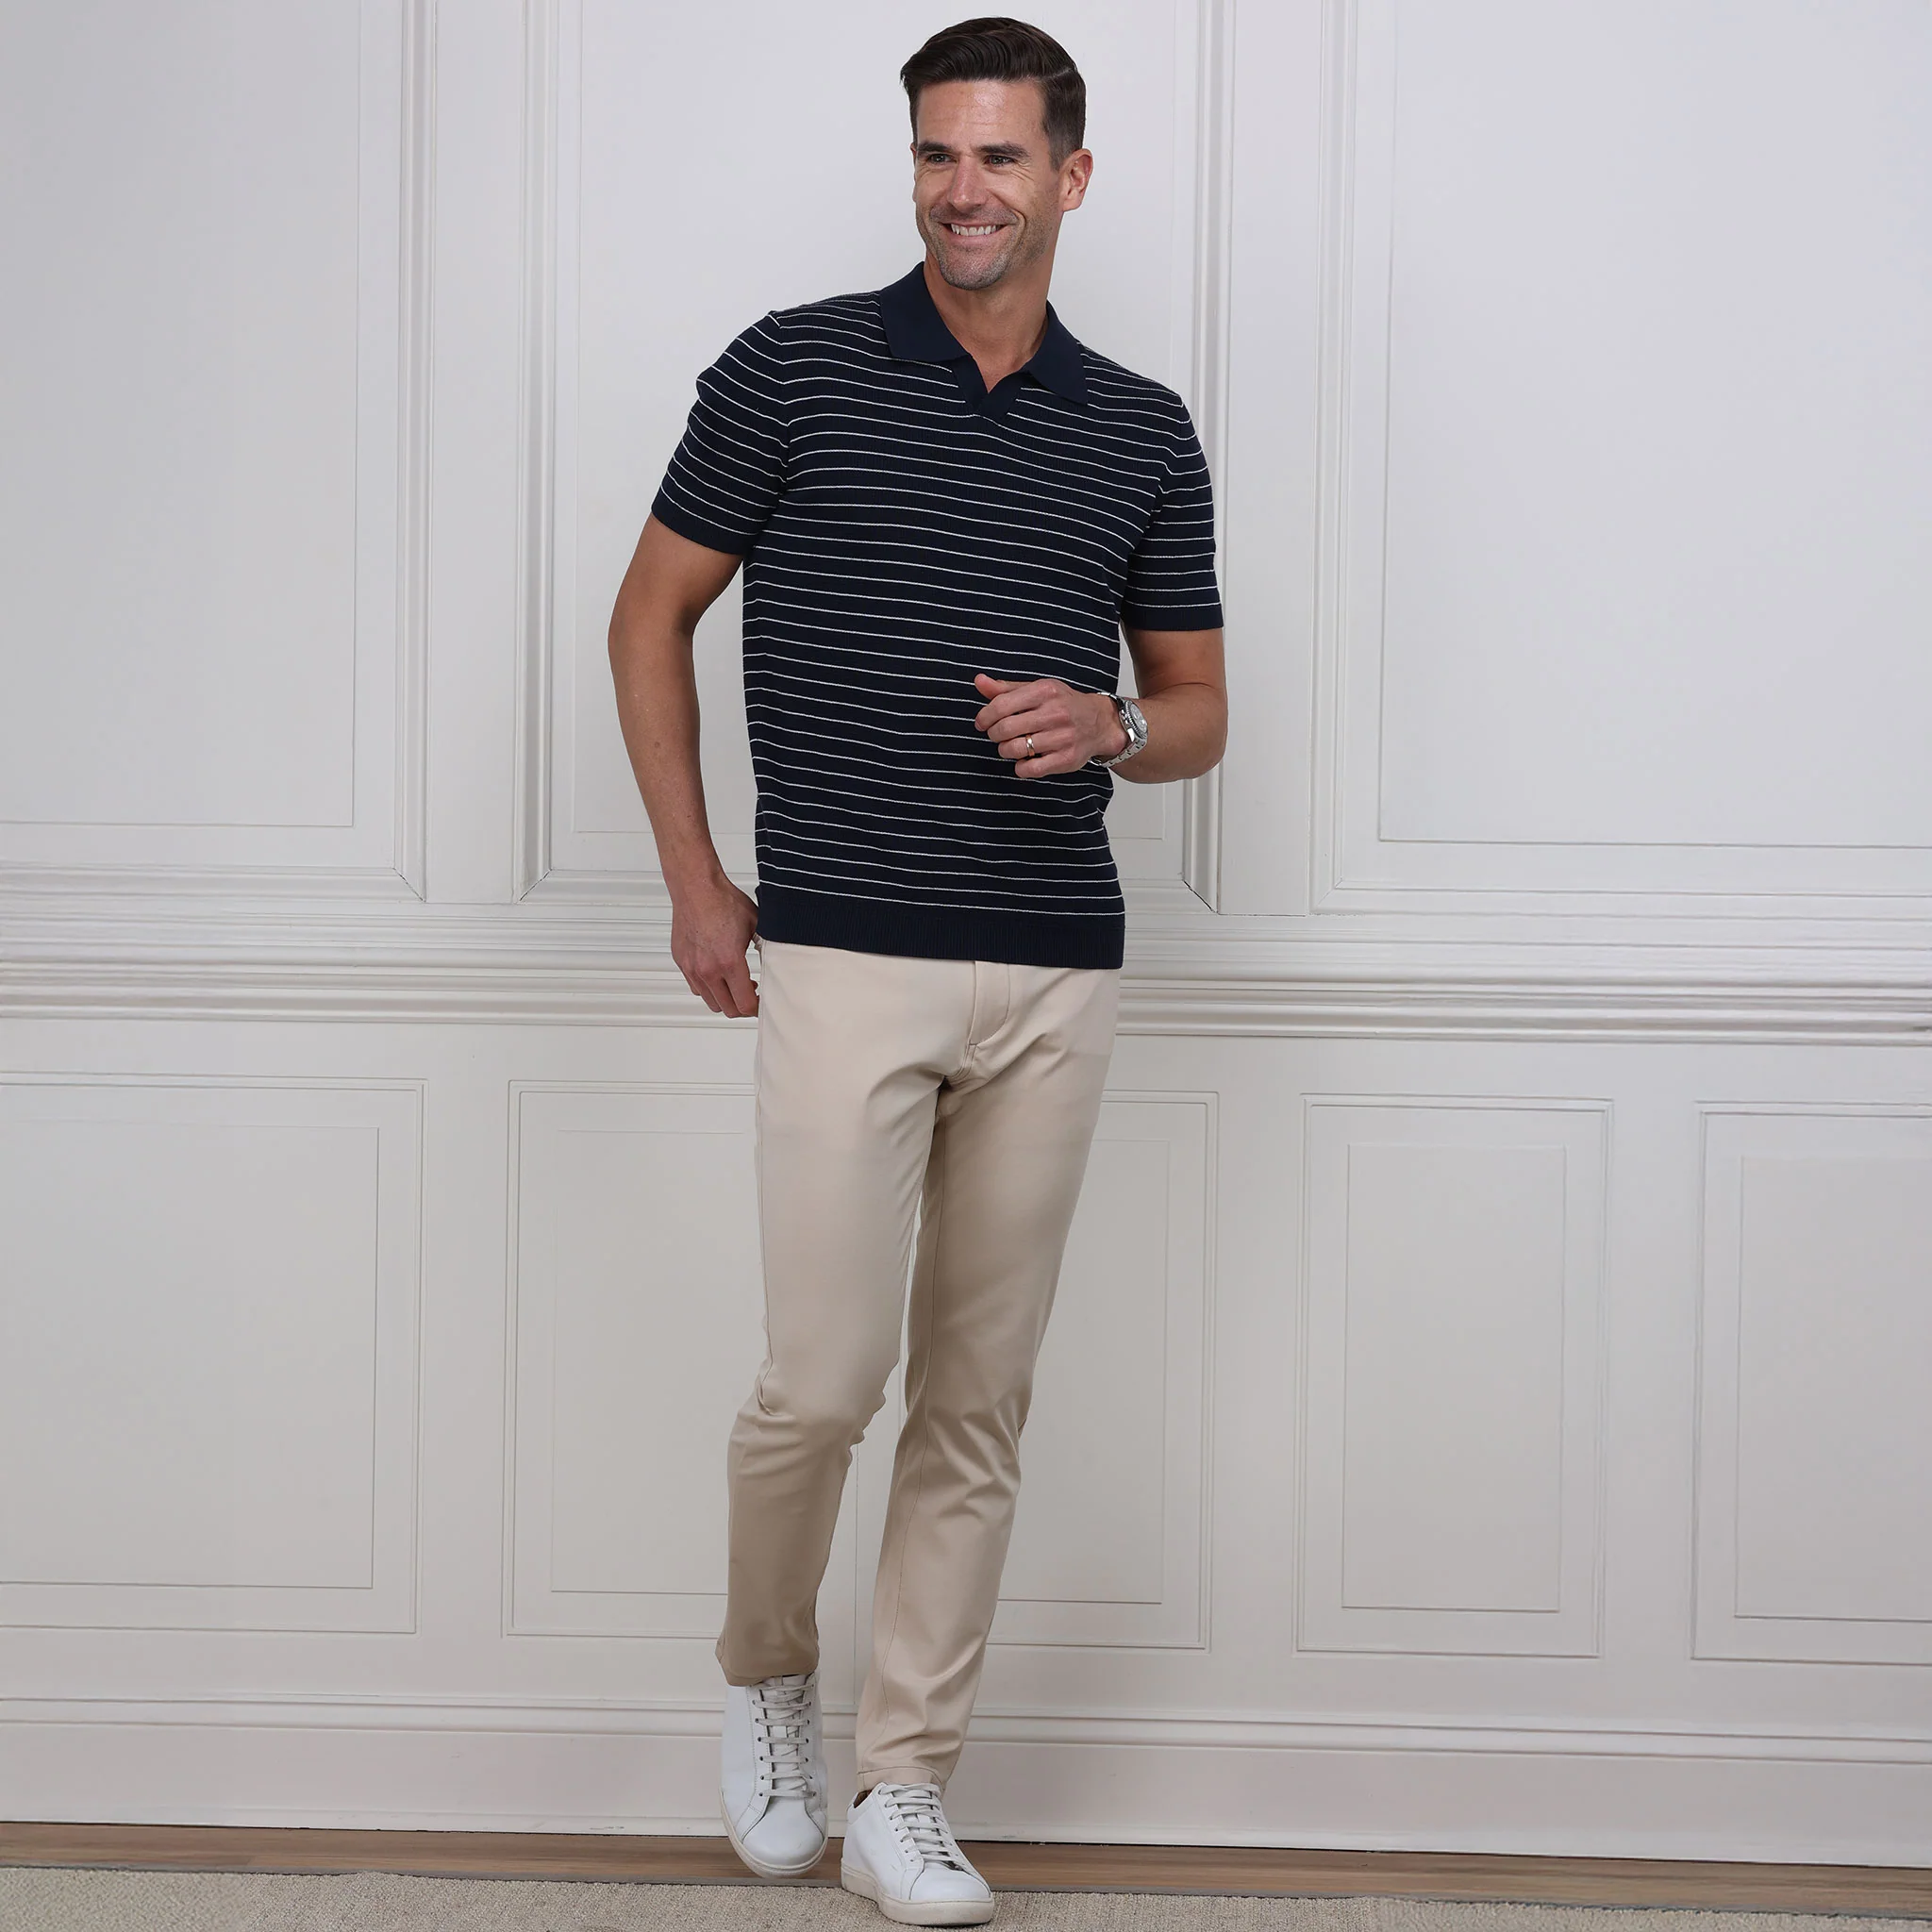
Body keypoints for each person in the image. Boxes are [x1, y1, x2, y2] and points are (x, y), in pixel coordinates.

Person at [607, 16, 1226, 1923]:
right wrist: (698, 881)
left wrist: (1112, 726)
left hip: (1052, 970)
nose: (966, 189)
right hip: (842, 949)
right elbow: (647, 619)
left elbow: (1200, 706)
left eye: (1002, 157)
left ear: (1072, 177)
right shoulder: (789, 369)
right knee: (820, 1384)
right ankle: (763, 1676)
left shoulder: (1141, 428)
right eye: (939, 155)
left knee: (977, 1399)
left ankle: (906, 1782)